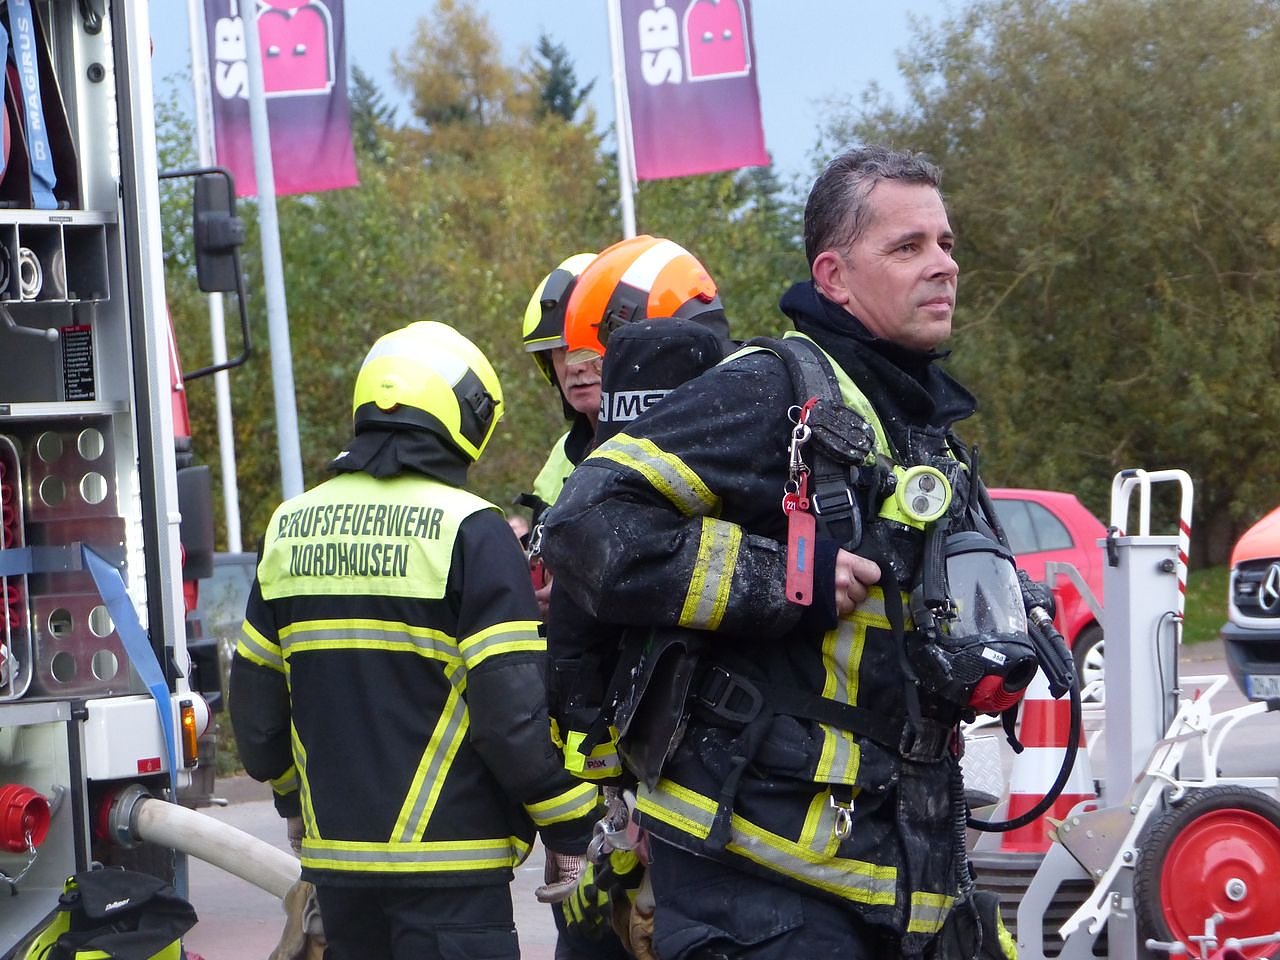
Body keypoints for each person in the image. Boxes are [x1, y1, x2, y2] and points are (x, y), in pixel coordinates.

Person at [540, 146, 1027, 959]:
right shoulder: (771, 390)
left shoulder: (920, 425)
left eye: (946, 244)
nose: (942, 265)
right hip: (758, 884)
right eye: (907, 247)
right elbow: (585, 524)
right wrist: (783, 578)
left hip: (888, 874)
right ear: (834, 277)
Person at [229, 321, 602, 960]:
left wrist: (293, 798)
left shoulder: (290, 526)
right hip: (454, 872)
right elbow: (511, 722)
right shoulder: (473, 530)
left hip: (338, 870)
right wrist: (570, 825)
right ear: (466, 417)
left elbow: (257, 714)